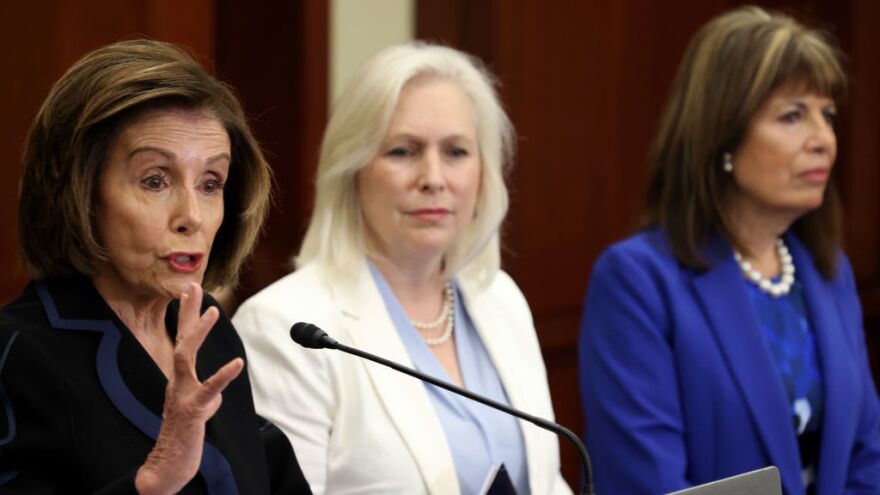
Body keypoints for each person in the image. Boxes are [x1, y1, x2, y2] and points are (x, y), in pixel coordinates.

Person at [233, 42, 571, 495]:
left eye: (456, 152)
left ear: (484, 173)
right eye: (403, 151)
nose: (433, 177)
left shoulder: (500, 298)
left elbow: (548, 482)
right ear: (351, 168)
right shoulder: (284, 326)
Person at [578, 6, 880, 495]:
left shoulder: (829, 271)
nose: (823, 139)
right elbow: (646, 480)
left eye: (827, 115)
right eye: (792, 116)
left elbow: (867, 455)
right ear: (723, 136)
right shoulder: (636, 281)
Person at [0, 40, 311, 494]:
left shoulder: (209, 330)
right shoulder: (17, 355)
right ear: (79, 192)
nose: (193, 216)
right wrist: (153, 483)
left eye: (210, 183)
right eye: (155, 180)